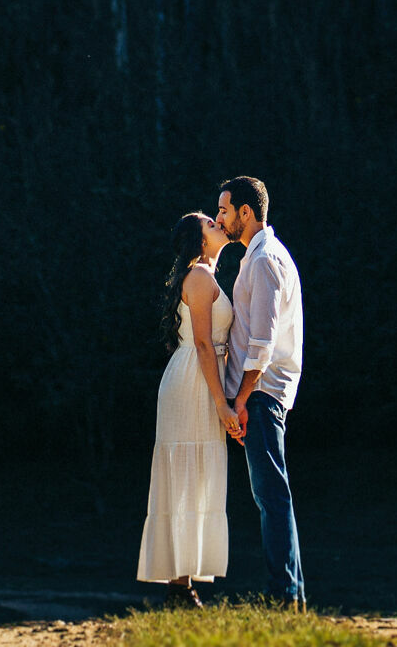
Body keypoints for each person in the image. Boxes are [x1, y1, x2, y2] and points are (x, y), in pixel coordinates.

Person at [136, 211, 241, 606]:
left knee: (197, 477)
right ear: (199, 241)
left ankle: (182, 585)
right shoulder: (198, 277)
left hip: (203, 375)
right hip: (194, 380)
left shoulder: (207, 277)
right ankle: (179, 587)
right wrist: (222, 404)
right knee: (185, 477)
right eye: (210, 225)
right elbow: (201, 344)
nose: (218, 223)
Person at [217, 175, 306, 611]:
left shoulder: (265, 260)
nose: (221, 218)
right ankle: (293, 593)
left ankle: (284, 595)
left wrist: (241, 399)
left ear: (245, 213)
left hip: (262, 394)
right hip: (258, 394)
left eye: (225, 210)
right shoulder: (257, 256)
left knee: (271, 495)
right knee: (272, 494)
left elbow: (263, 344)